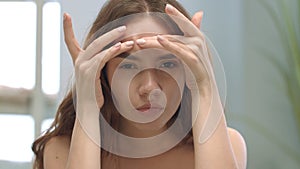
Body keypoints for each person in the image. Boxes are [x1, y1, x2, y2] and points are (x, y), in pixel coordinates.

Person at [32, 0, 247, 169]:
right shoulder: (62, 150)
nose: (150, 87)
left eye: (168, 63)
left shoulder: (227, 144)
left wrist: (204, 86)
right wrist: (87, 105)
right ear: (102, 72)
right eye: (128, 66)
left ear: (186, 69)